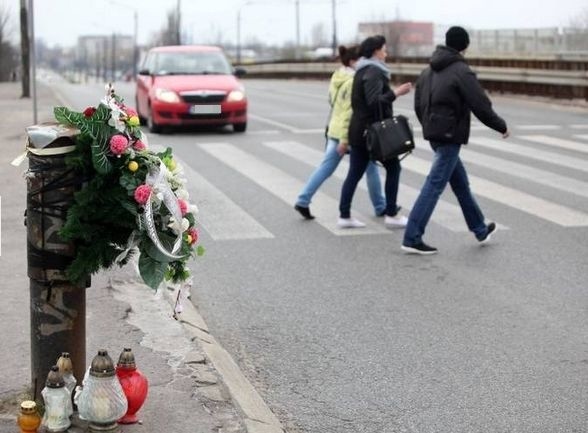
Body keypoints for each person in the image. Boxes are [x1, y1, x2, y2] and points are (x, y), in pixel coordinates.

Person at [401, 26, 510, 255]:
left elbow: (419, 103)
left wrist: (429, 125)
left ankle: (480, 228)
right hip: (449, 135)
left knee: (460, 184)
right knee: (434, 185)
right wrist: (500, 125)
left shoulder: (428, 70)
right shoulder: (461, 70)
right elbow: (480, 103)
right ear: (465, 46)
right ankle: (412, 237)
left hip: (435, 133)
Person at [294, 45, 386, 220]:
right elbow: (350, 112)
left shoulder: (337, 76)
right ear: (353, 61)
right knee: (371, 168)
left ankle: (303, 199)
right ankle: (380, 206)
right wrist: (345, 139)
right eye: (360, 59)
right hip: (347, 133)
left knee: (326, 168)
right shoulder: (354, 81)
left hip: (334, 129)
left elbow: (333, 102)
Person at [337, 35, 412, 228]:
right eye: (384, 49)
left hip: (359, 130)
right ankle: (392, 214)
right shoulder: (374, 72)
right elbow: (374, 102)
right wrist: (396, 93)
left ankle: (344, 216)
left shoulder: (362, 70)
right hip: (371, 133)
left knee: (355, 173)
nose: (386, 52)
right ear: (376, 51)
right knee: (394, 168)